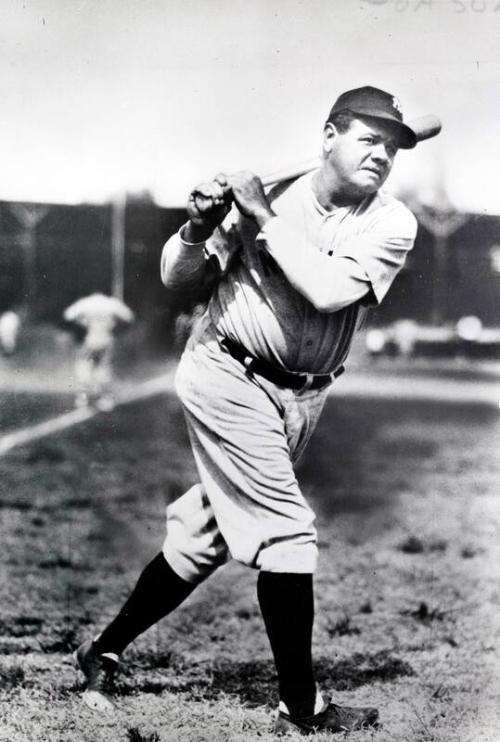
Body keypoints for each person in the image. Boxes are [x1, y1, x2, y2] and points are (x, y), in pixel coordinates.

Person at [75, 86, 421, 735]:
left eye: (393, 147)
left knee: (205, 534)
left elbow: (324, 291)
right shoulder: (275, 198)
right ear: (328, 137)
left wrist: (263, 216)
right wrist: (197, 227)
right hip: (227, 372)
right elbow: (180, 281)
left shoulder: (391, 223)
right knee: (287, 533)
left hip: (303, 394)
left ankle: (102, 651)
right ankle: (301, 705)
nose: (382, 155)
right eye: (368, 138)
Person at [63, 293, 134, 411]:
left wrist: (83, 321)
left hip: (92, 340)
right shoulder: (112, 304)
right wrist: (115, 324)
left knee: (83, 367)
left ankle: (83, 399)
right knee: (104, 369)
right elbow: (129, 317)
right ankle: (106, 399)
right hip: (106, 340)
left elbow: (68, 315)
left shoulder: (87, 303)